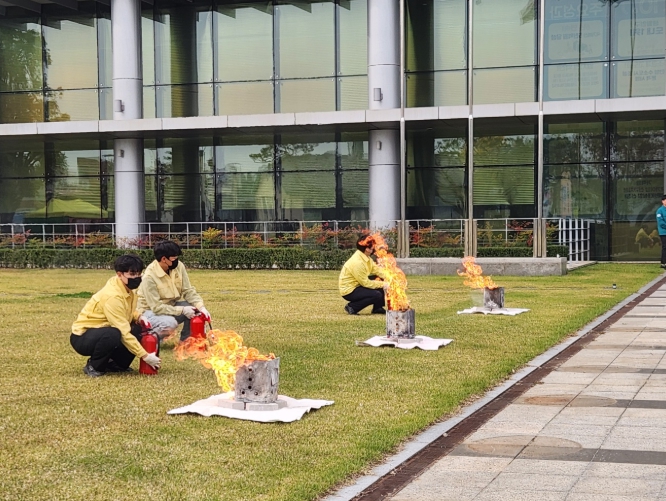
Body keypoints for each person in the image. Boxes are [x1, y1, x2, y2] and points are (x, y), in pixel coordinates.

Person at [70, 254, 160, 377]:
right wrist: (145, 356)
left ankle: (117, 364)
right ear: (119, 274)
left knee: (139, 328)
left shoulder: (125, 287)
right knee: (113, 333)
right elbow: (123, 331)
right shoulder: (113, 296)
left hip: (104, 328)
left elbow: (125, 311)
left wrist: (138, 317)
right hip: (83, 336)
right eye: (132, 274)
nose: (136, 277)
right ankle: (94, 366)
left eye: (139, 274)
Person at [137, 240, 211, 341]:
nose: (177, 260)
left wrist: (201, 307)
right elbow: (156, 307)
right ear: (164, 259)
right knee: (169, 323)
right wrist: (182, 310)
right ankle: (148, 340)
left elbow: (188, 290)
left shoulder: (179, 266)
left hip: (170, 306)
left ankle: (186, 342)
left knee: (195, 309)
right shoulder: (149, 277)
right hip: (149, 312)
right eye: (174, 258)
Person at [338, 236, 388, 315]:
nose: (374, 247)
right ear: (367, 249)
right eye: (373, 246)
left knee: (380, 279)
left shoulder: (365, 257)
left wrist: (390, 277)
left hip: (358, 284)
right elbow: (365, 283)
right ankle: (352, 307)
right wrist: (384, 284)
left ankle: (378, 308)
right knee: (376, 294)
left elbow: (376, 270)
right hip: (349, 291)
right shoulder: (358, 262)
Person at [657, 195, 666, 268]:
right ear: (662, 201)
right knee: (665, 247)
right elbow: (660, 222)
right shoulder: (659, 210)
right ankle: (663, 263)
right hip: (663, 232)